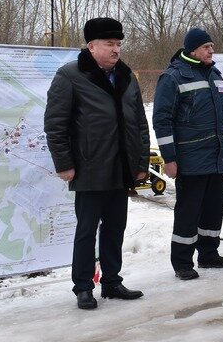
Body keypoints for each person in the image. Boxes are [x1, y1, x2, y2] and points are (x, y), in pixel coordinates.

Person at [44, 17, 150, 310]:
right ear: (91, 46)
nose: (116, 49)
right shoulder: (70, 76)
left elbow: (140, 123)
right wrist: (64, 163)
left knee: (116, 227)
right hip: (90, 166)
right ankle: (83, 286)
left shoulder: (127, 77)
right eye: (109, 44)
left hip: (122, 167)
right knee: (87, 229)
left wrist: (140, 161)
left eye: (118, 44)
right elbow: (55, 124)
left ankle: (112, 281)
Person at [153, 28, 223, 280]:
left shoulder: (215, 74)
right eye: (206, 47)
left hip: (216, 157)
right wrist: (169, 158)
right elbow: (162, 120)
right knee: (188, 213)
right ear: (192, 50)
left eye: (212, 46)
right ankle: (182, 263)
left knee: (213, 209)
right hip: (190, 160)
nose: (211, 50)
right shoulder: (173, 77)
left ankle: (209, 255)